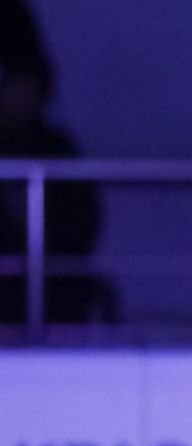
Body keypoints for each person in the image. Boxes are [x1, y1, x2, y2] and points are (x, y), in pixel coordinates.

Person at [0, 53, 115, 329]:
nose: (19, 98)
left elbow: (83, 218)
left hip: (55, 280)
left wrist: (37, 225)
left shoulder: (58, 149)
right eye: (12, 87)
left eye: (28, 88)